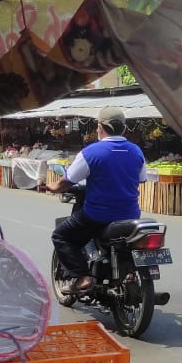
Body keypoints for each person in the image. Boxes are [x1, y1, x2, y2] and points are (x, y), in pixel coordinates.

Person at [43, 107, 147, 294]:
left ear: (100, 127)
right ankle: (129, 273)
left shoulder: (91, 152)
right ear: (124, 129)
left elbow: (66, 181)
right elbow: (141, 179)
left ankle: (82, 277)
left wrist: (53, 187)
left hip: (98, 216)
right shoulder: (136, 151)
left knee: (61, 235)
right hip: (131, 216)